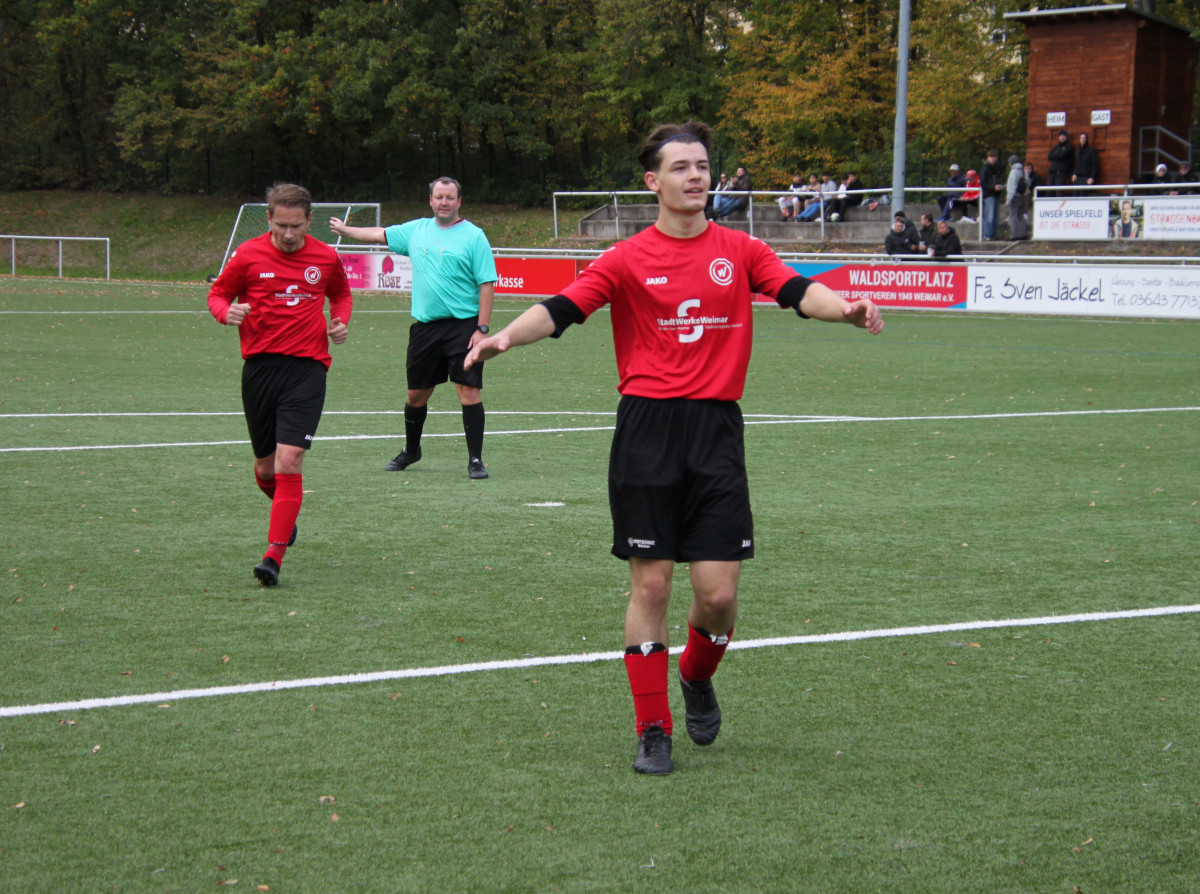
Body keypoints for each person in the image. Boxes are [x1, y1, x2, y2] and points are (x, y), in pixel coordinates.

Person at [463, 121, 883, 776]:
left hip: (715, 432)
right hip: (647, 431)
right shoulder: (626, 257)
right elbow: (563, 307)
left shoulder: (740, 249)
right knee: (652, 584)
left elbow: (799, 291)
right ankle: (652, 727)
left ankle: (696, 674)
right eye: (681, 166)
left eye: (702, 166)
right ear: (652, 182)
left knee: (717, 596)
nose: (695, 176)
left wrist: (847, 308)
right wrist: (504, 338)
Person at [207, 183, 352, 587]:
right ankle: (284, 514)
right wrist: (225, 312)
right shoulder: (248, 255)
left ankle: (273, 557)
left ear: (309, 220)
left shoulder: (325, 257)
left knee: (290, 459)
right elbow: (218, 294)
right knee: (265, 468)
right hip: (260, 369)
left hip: (307, 369)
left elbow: (341, 295)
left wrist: (340, 321)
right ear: (269, 218)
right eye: (281, 225)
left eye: (296, 226)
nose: (289, 234)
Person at [330, 177, 497, 480]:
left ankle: (475, 459)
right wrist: (346, 230)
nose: (444, 202)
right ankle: (411, 450)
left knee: (469, 391)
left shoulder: (474, 236)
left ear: (459, 202)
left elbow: (486, 283)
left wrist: (482, 329)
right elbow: (379, 234)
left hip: (464, 327)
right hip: (425, 329)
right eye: (438, 197)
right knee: (416, 396)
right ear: (430, 200)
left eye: (450, 197)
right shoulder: (416, 231)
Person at [980, 149, 1003, 240]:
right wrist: (993, 187)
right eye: (991, 157)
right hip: (989, 194)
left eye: (994, 157)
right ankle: (988, 234)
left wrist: (1001, 185)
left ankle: (993, 234)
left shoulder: (997, 169)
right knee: (989, 216)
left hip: (997, 194)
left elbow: (1000, 179)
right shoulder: (985, 169)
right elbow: (983, 183)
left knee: (995, 216)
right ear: (987, 158)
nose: (992, 159)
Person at [1005, 155, 1029, 240]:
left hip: (1015, 197)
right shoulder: (1023, 171)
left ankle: (1014, 235)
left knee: (1013, 217)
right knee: (1020, 216)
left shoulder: (1013, 172)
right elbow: (1028, 183)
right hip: (1023, 197)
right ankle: (1023, 234)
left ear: (1011, 163)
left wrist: (1008, 200)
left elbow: (1011, 188)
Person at [1047, 130, 1074, 196]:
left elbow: (1062, 156)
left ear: (1066, 137)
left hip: (1061, 173)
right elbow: (1049, 156)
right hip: (1052, 172)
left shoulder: (1069, 146)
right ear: (1059, 137)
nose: (1062, 137)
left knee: (1059, 192)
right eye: (1061, 136)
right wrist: (1059, 154)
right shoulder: (1056, 147)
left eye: (1064, 136)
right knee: (1050, 192)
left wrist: (1056, 155)